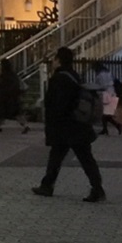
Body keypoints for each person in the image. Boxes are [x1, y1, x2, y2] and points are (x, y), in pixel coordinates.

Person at [31, 47, 105, 202]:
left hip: (66, 126)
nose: (52, 61)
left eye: (55, 58)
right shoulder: (74, 75)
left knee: (60, 156)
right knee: (83, 158)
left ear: (59, 60)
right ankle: (97, 188)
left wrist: (52, 122)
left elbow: (58, 104)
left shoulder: (59, 78)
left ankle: (48, 186)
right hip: (78, 125)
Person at [0, 57, 29, 133]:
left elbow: (1, 86)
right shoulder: (13, 75)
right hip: (14, 97)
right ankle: (25, 125)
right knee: (17, 113)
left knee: (1, 113)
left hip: (4, 97)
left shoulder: (3, 76)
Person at [91, 61, 122, 135]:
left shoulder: (99, 75)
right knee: (106, 114)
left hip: (106, 94)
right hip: (113, 93)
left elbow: (101, 86)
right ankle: (106, 129)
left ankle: (116, 125)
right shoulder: (108, 73)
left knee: (105, 114)